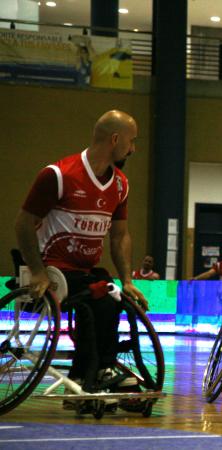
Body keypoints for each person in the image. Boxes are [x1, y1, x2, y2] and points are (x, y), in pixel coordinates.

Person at [14, 110, 148, 400]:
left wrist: (127, 279)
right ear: (115, 139)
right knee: (98, 295)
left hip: (85, 272)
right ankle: (102, 367)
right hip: (53, 270)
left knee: (109, 291)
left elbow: (120, 234)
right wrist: (36, 271)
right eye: (131, 141)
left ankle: (83, 374)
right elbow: (23, 223)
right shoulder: (59, 175)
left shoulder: (121, 184)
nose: (133, 149)